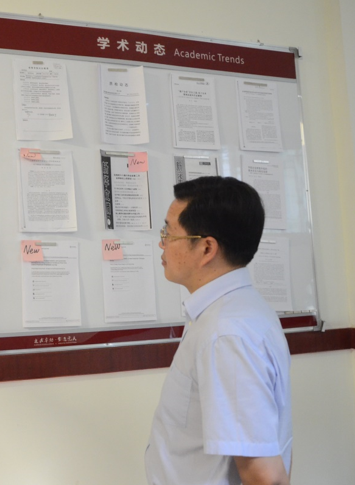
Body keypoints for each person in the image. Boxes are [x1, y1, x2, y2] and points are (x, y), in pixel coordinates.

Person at [145, 176, 292, 485]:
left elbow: (266, 476)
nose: (162, 243)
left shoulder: (227, 333)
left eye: (169, 233)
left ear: (206, 248)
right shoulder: (230, 312)